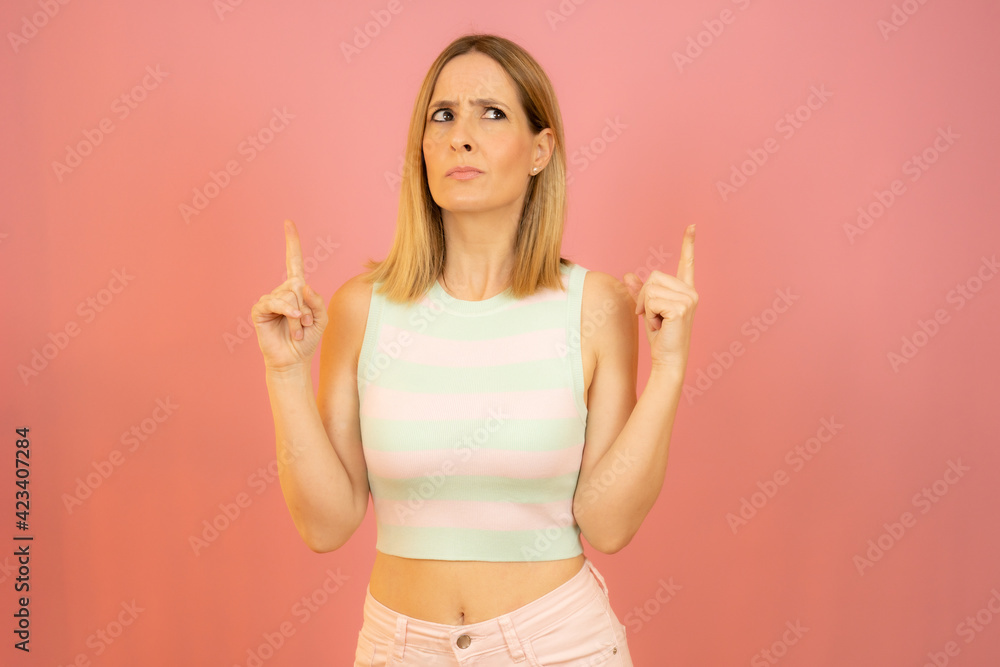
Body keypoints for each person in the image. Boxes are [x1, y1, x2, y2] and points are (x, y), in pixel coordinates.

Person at [251, 32, 697, 666]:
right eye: (444, 115)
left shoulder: (592, 307)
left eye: (492, 113)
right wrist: (285, 373)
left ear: (541, 149)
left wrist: (671, 369)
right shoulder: (361, 307)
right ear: (424, 148)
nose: (462, 135)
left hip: (559, 647)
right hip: (398, 650)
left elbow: (608, 524)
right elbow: (325, 525)